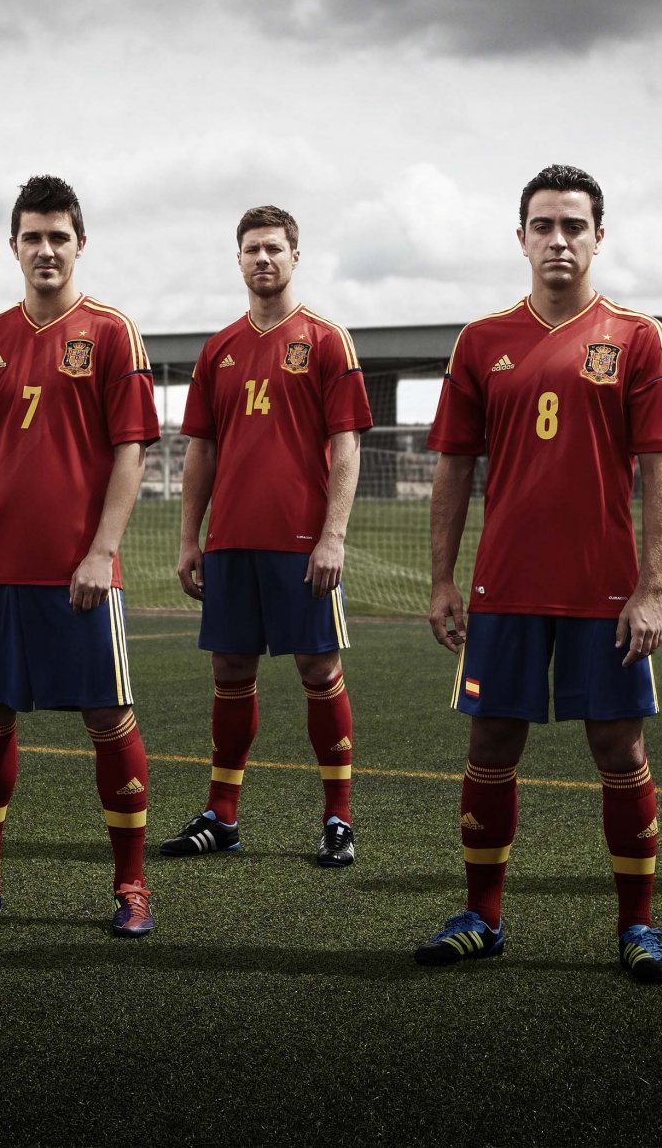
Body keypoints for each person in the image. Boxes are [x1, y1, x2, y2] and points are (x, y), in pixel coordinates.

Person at [416, 164, 662, 983]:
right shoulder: (481, 341)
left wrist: (651, 588)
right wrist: (442, 579)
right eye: (544, 225)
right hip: (505, 587)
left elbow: (660, 471)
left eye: (574, 225)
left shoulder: (637, 336)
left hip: (603, 591)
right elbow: (455, 469)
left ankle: (636, 927)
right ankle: (482, 918)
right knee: (491, 742)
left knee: (617, 745)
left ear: (599, 237)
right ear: (522, 236)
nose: (558, 239)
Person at [0, 175, 160, 936]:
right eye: (32, 237)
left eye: (58, 237)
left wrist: (100, 551)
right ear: (12, 246)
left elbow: (131, 452)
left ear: (81, 244)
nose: (45, 250)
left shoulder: (113, 332)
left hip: (78, 572)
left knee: (108, 717)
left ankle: (132, 886)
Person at [164, 205, 372, 867]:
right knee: (230, 672)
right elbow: (201, 452)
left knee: (319, 671)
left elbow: (346, 446)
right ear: (239, 259)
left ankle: (338, 818)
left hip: (301, 543)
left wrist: (333, 536)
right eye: (252, 249)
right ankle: (221, 816)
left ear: (295, 257)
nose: (263, 259)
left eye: (274, 249)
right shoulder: (217, 349)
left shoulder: (326, 339)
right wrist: (189, 539)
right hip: (230, 542)